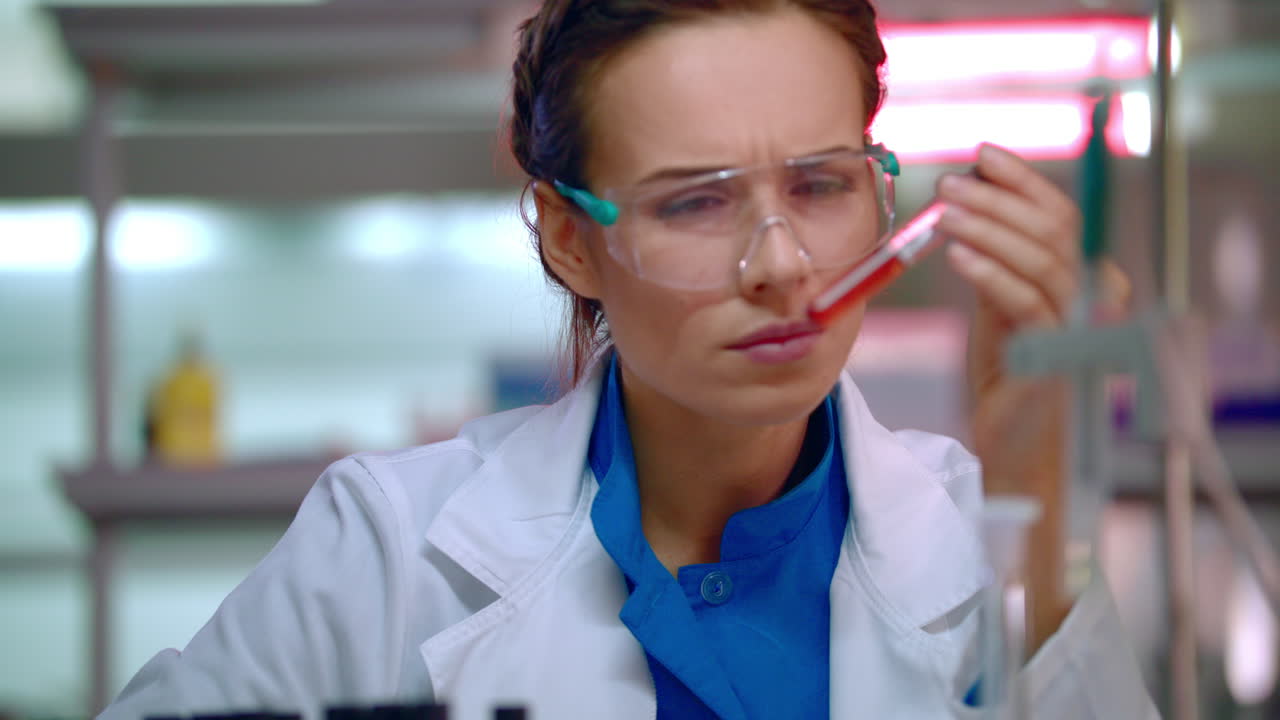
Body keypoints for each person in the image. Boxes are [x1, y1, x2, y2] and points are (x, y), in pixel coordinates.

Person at [101, 1, 1157, 718]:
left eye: (822, 185)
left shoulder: (982, 535)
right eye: (694, 202)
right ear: (570, 238)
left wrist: (1040, 509)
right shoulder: (384, 554)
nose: (780, 266)